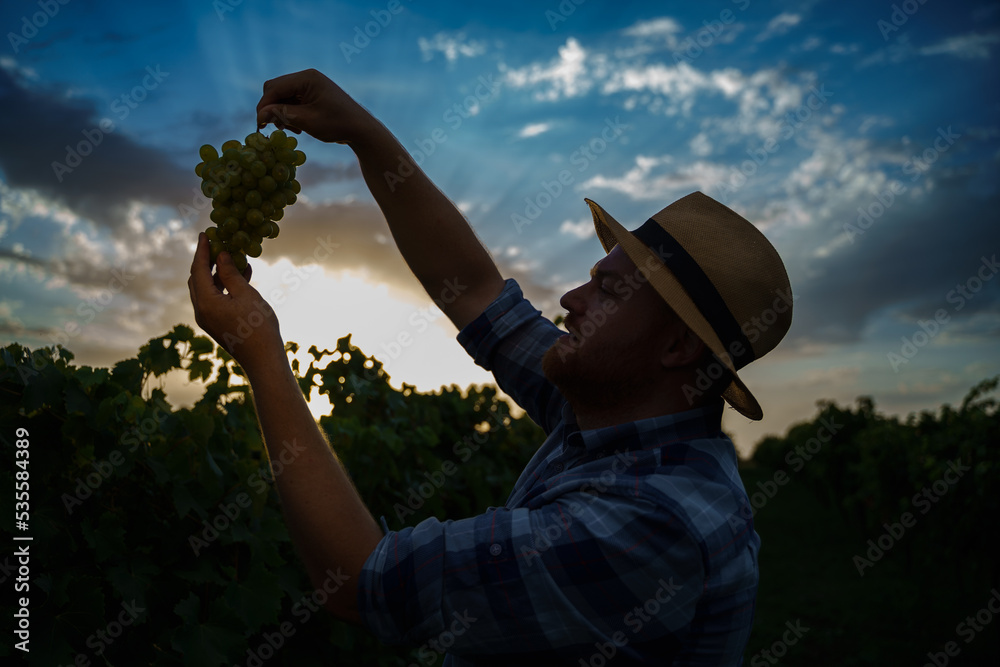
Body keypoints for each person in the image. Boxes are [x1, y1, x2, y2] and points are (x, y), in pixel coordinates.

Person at [188, 68, 793, 665]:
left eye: (608, 293)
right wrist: (362, 134)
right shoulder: (609, 412)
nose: (570, 301)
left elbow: (363, 583)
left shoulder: (658, 527)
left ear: (677, 349)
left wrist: (260, 352)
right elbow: (475, 291)